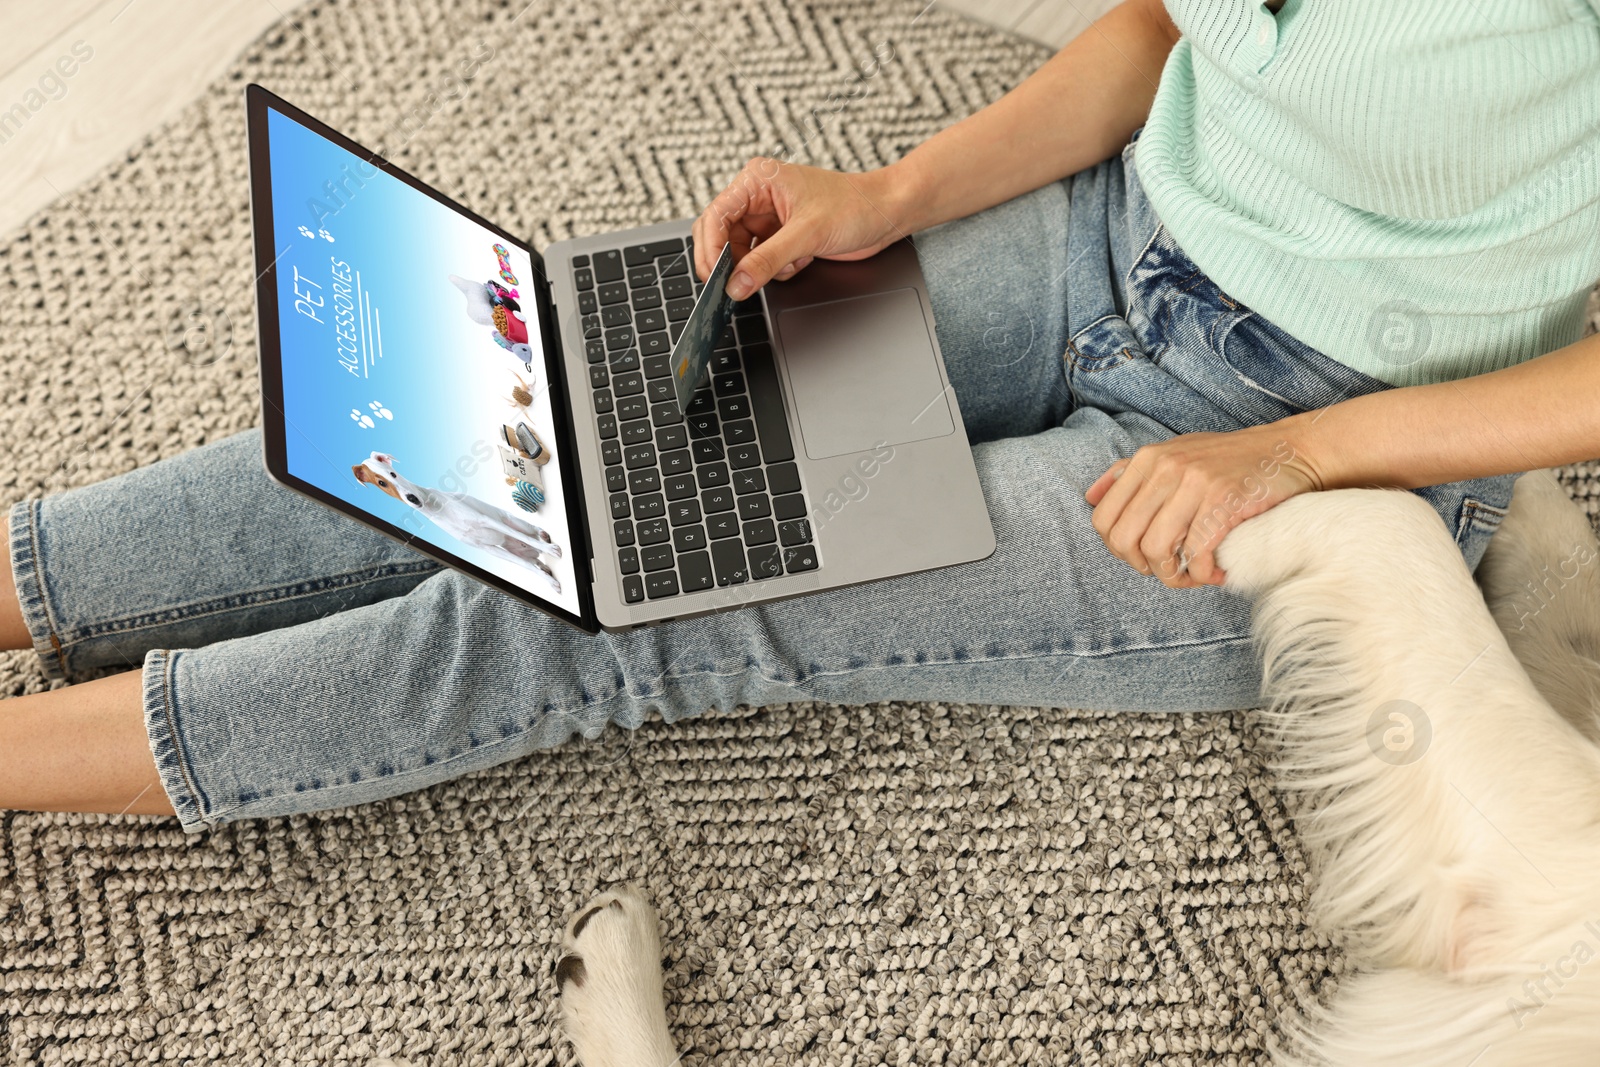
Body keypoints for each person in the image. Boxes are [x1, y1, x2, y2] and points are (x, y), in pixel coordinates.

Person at [2, 0, 1596, 830]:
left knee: (637, 602)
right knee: (522, 398)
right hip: (1115, 234)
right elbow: (1171, 39)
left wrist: (1299, 451)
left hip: (1336, 452)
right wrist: (885, 197)